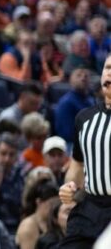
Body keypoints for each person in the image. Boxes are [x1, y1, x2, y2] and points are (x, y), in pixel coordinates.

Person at [58, 54, 111, 248]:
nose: (110, 74)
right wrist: (70, 186)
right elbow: (78, 164)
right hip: (89, 208)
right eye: (107, 68)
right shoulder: (84, 118)